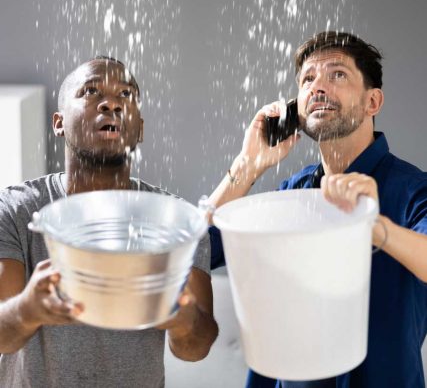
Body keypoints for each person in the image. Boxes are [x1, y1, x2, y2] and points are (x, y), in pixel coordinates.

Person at [208, 31, 427, 388]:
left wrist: (372, 225)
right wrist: (247, 164)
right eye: (308, 79)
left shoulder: (415, 190)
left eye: (337, 74)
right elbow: (200, 250)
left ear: (373, 102)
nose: (318, 87)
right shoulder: (292, 193)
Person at [0, 56, 218, 388]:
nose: (112, 104)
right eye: (90, 91)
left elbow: (195, 348)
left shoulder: (175, 220)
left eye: (126, 96)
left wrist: (181, 317)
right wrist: (28, 309)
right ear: (58, 122)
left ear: (140, 129)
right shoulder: (16, 209)